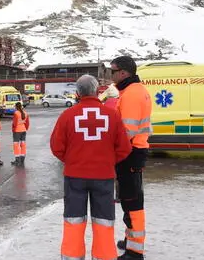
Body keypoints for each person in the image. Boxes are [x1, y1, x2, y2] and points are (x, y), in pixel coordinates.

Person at [50, 75, 132, 260]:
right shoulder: (112, 115)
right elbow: (124, 148)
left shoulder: (67, 115)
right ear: (97, 91)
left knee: (74, 220)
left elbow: (56, 147)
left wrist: (72, 160)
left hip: (74, 177)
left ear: (78, 93)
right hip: (104, 177)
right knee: (104, 221)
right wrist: (108, 161)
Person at [110, 56, 152, 260]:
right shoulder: (132, 91)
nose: (112, 75)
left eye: (113, 71)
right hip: (134, 151)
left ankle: (135, 252)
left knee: (132, 201)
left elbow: (127, 131)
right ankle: (130, 241)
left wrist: (113, 153)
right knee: (130, 199)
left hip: (130, 152)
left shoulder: (132, 94)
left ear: (124, 73)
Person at [11, 102, 30, 166]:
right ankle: (22, 159)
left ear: (16, 107)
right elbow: (27, 123)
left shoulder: (16, 113)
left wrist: (13, 130)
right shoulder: (25, 113)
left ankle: (17, 160)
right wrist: (25, 128)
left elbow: (14, 123)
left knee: (16, 145)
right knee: (23, 144)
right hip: (23, 130)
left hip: (17, 131)